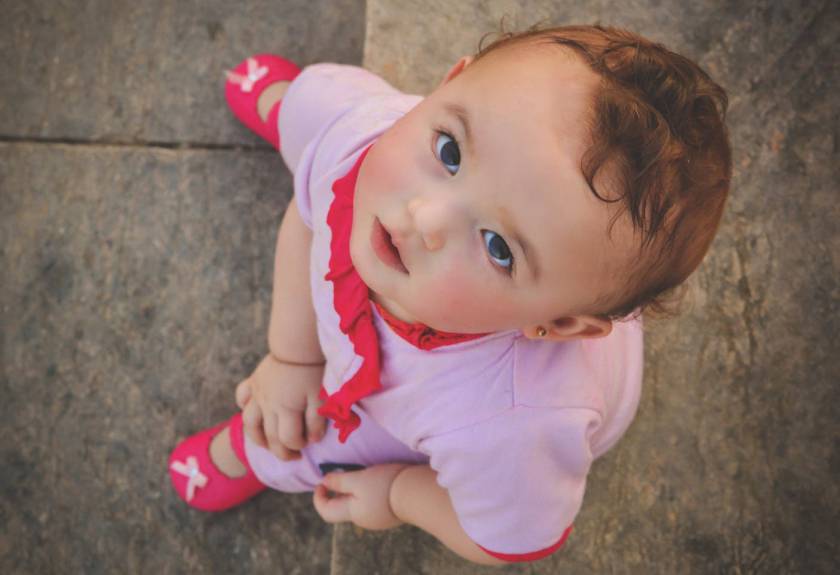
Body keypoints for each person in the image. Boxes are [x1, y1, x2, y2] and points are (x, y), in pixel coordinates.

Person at [168, 24, 732, 566]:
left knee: (310, 434)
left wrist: (397, 493)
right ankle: (294, 117)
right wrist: (292, 358)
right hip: (405, 160)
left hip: (430, 399)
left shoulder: (507, 425)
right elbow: (310, 215)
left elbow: (505, 541)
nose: (425, 215)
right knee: (327, 113)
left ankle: (262, 449)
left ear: (559, 323)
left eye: (498, 247)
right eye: (451, 151)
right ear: (450, 81)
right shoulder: (369, 147)